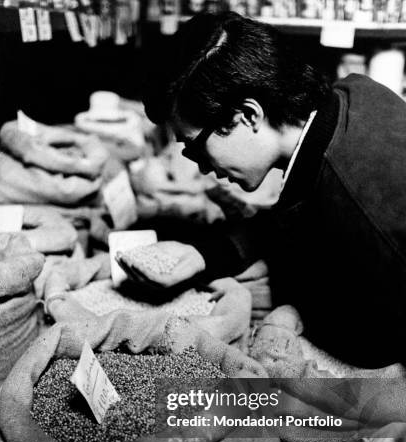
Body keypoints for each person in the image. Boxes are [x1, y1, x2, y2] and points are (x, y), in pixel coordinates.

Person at [124, 11, 406, 369]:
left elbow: (380, 338)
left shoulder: (363, 210)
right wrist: (206, 254)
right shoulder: (348, 97)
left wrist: (290, 318)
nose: (200, 166)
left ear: (248, 115)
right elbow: (304, 206)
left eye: (196, 146)